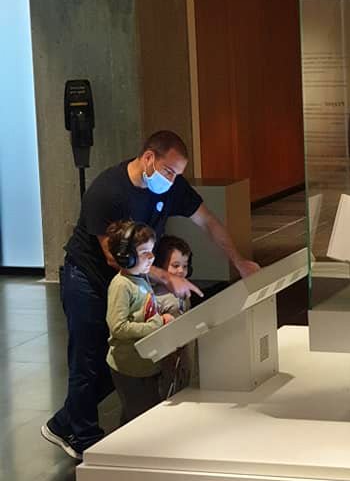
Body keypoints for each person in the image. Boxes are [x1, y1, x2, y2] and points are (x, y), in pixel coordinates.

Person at [41, 130, 259, 460]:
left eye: (178, 174)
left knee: (123, 359)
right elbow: (114, 256)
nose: (172, 181)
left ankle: (63, 422)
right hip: (88, 276)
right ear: (148, 158)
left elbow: (209, 222)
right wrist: (167, 277)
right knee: (88, 356)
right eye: (169, 171)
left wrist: (238, 260)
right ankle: (85, 437)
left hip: (133, 277)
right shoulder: (106, 191)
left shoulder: (172, 186)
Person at [104, 221, 174, 425]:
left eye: (151, 250)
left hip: (144, 363)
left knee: (140, 412)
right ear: (125, 256)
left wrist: (161, 317)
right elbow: (118, 327)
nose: (151, 257)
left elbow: (144, 312)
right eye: (144, 252)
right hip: (129, 366)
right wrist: (156, 325)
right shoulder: (121, 286)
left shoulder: (140, 279)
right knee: (139, 417)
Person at [153, 234, 195, 397]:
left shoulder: (184, 291)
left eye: (185, 266)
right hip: (167, 355)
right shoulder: (157, 296)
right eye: (175, 265)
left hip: (184, 351)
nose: (181, 271)